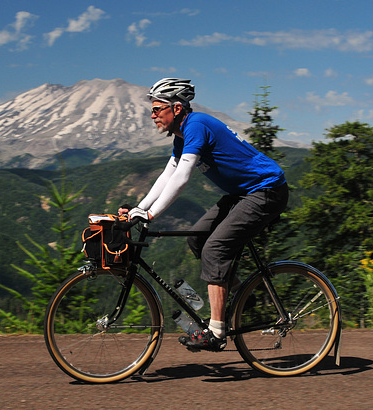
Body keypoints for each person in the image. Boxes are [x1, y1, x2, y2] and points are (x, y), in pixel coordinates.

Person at [122, 78, 288, 352]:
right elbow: (169, 174)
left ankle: (217, 331)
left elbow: (183, 176)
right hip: (244, 193)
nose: (152, 115)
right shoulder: (182, 134)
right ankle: (242, 296)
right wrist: (140, 208)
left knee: (215, 248)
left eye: (156, 109)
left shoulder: (196, 125)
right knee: (197, 240)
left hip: (266, 190)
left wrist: (150, 215)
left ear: (176, 109)